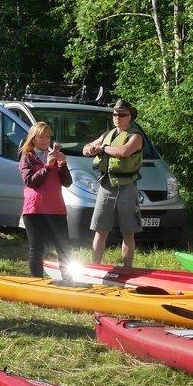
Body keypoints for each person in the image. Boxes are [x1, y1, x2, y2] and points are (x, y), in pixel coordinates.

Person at [83, 98, 145, 268]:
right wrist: (90, 149)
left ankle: (127, 269)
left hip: (127, 186)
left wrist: (102, 148)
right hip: (106, 185)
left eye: (122, 115)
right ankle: (95, 267)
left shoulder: (136, 136)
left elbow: (124, 152)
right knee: (100, 229)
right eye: (115, 114)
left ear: (130, 116)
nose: (118, 117)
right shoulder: (107, 135)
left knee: (128, 232)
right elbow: (86, 148)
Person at [18, 120, 72, 277]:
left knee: (64, 247)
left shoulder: (53, 156)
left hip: (56, 209)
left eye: (48, 137)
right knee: (37, 248)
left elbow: (67, 183)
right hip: (35, 209)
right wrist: (48, 166)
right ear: (33, 139)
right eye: (42, 137)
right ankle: (37, 281)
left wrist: (62, 165)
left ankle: (69, 280)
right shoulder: (27, 158)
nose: (45, 140)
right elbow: (31, 182)